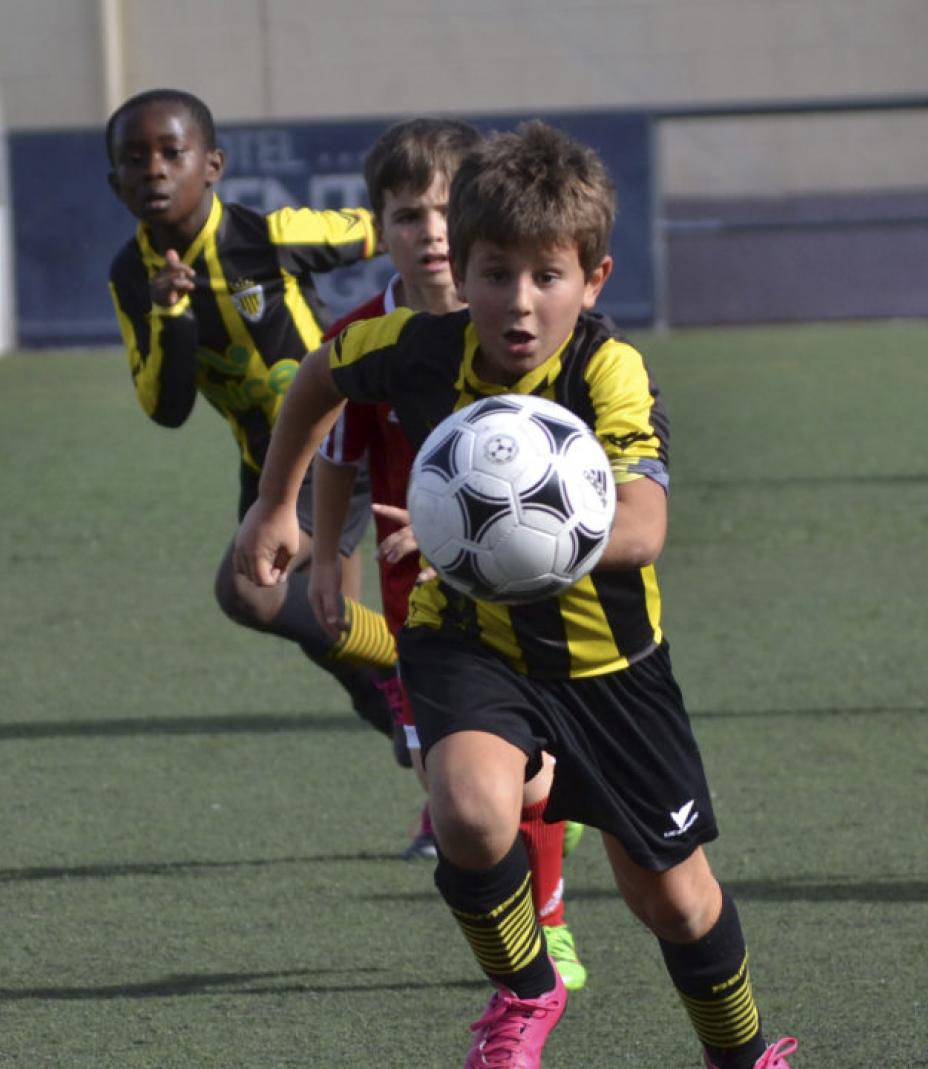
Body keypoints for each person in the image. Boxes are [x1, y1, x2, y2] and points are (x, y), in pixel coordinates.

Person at [237, 121, 796, 1069]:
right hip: (469, 640)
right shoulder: (421, 349)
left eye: (548, 276)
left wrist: (489, 539)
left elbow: (644, 528)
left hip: (609, 668)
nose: (520, 303)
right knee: (467, 808)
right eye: (496, 273)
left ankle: (743, 1057)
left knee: (674, 899)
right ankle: (527, 992)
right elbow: (322, 374)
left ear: (595, 279)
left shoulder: (608, 372)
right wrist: (274, 504)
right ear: (468, 268)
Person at [305, 117, 590, 993]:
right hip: (413, 602)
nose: (428, 233)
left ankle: (547, 921)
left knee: (518, 780)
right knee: (460, 778)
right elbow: (339, 451)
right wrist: (324, 557)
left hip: (529, 594)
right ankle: (539, 821)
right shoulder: (368, 337)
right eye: (405, 215)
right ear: (376, 226)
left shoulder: (515, 325)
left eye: (442, 212)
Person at [104, 88, 400, 735]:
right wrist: (171, 314)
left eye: (171, 152)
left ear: (212, 164)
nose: (153, 168)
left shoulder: (269, 236)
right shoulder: (132, 275)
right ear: (114, 181)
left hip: (338, 441)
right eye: (133, 158)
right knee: (337, 631)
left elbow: (389, 230)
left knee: (251, 589)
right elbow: (166, 407)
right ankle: (424, 733)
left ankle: (413, 674)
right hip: (267, 466)